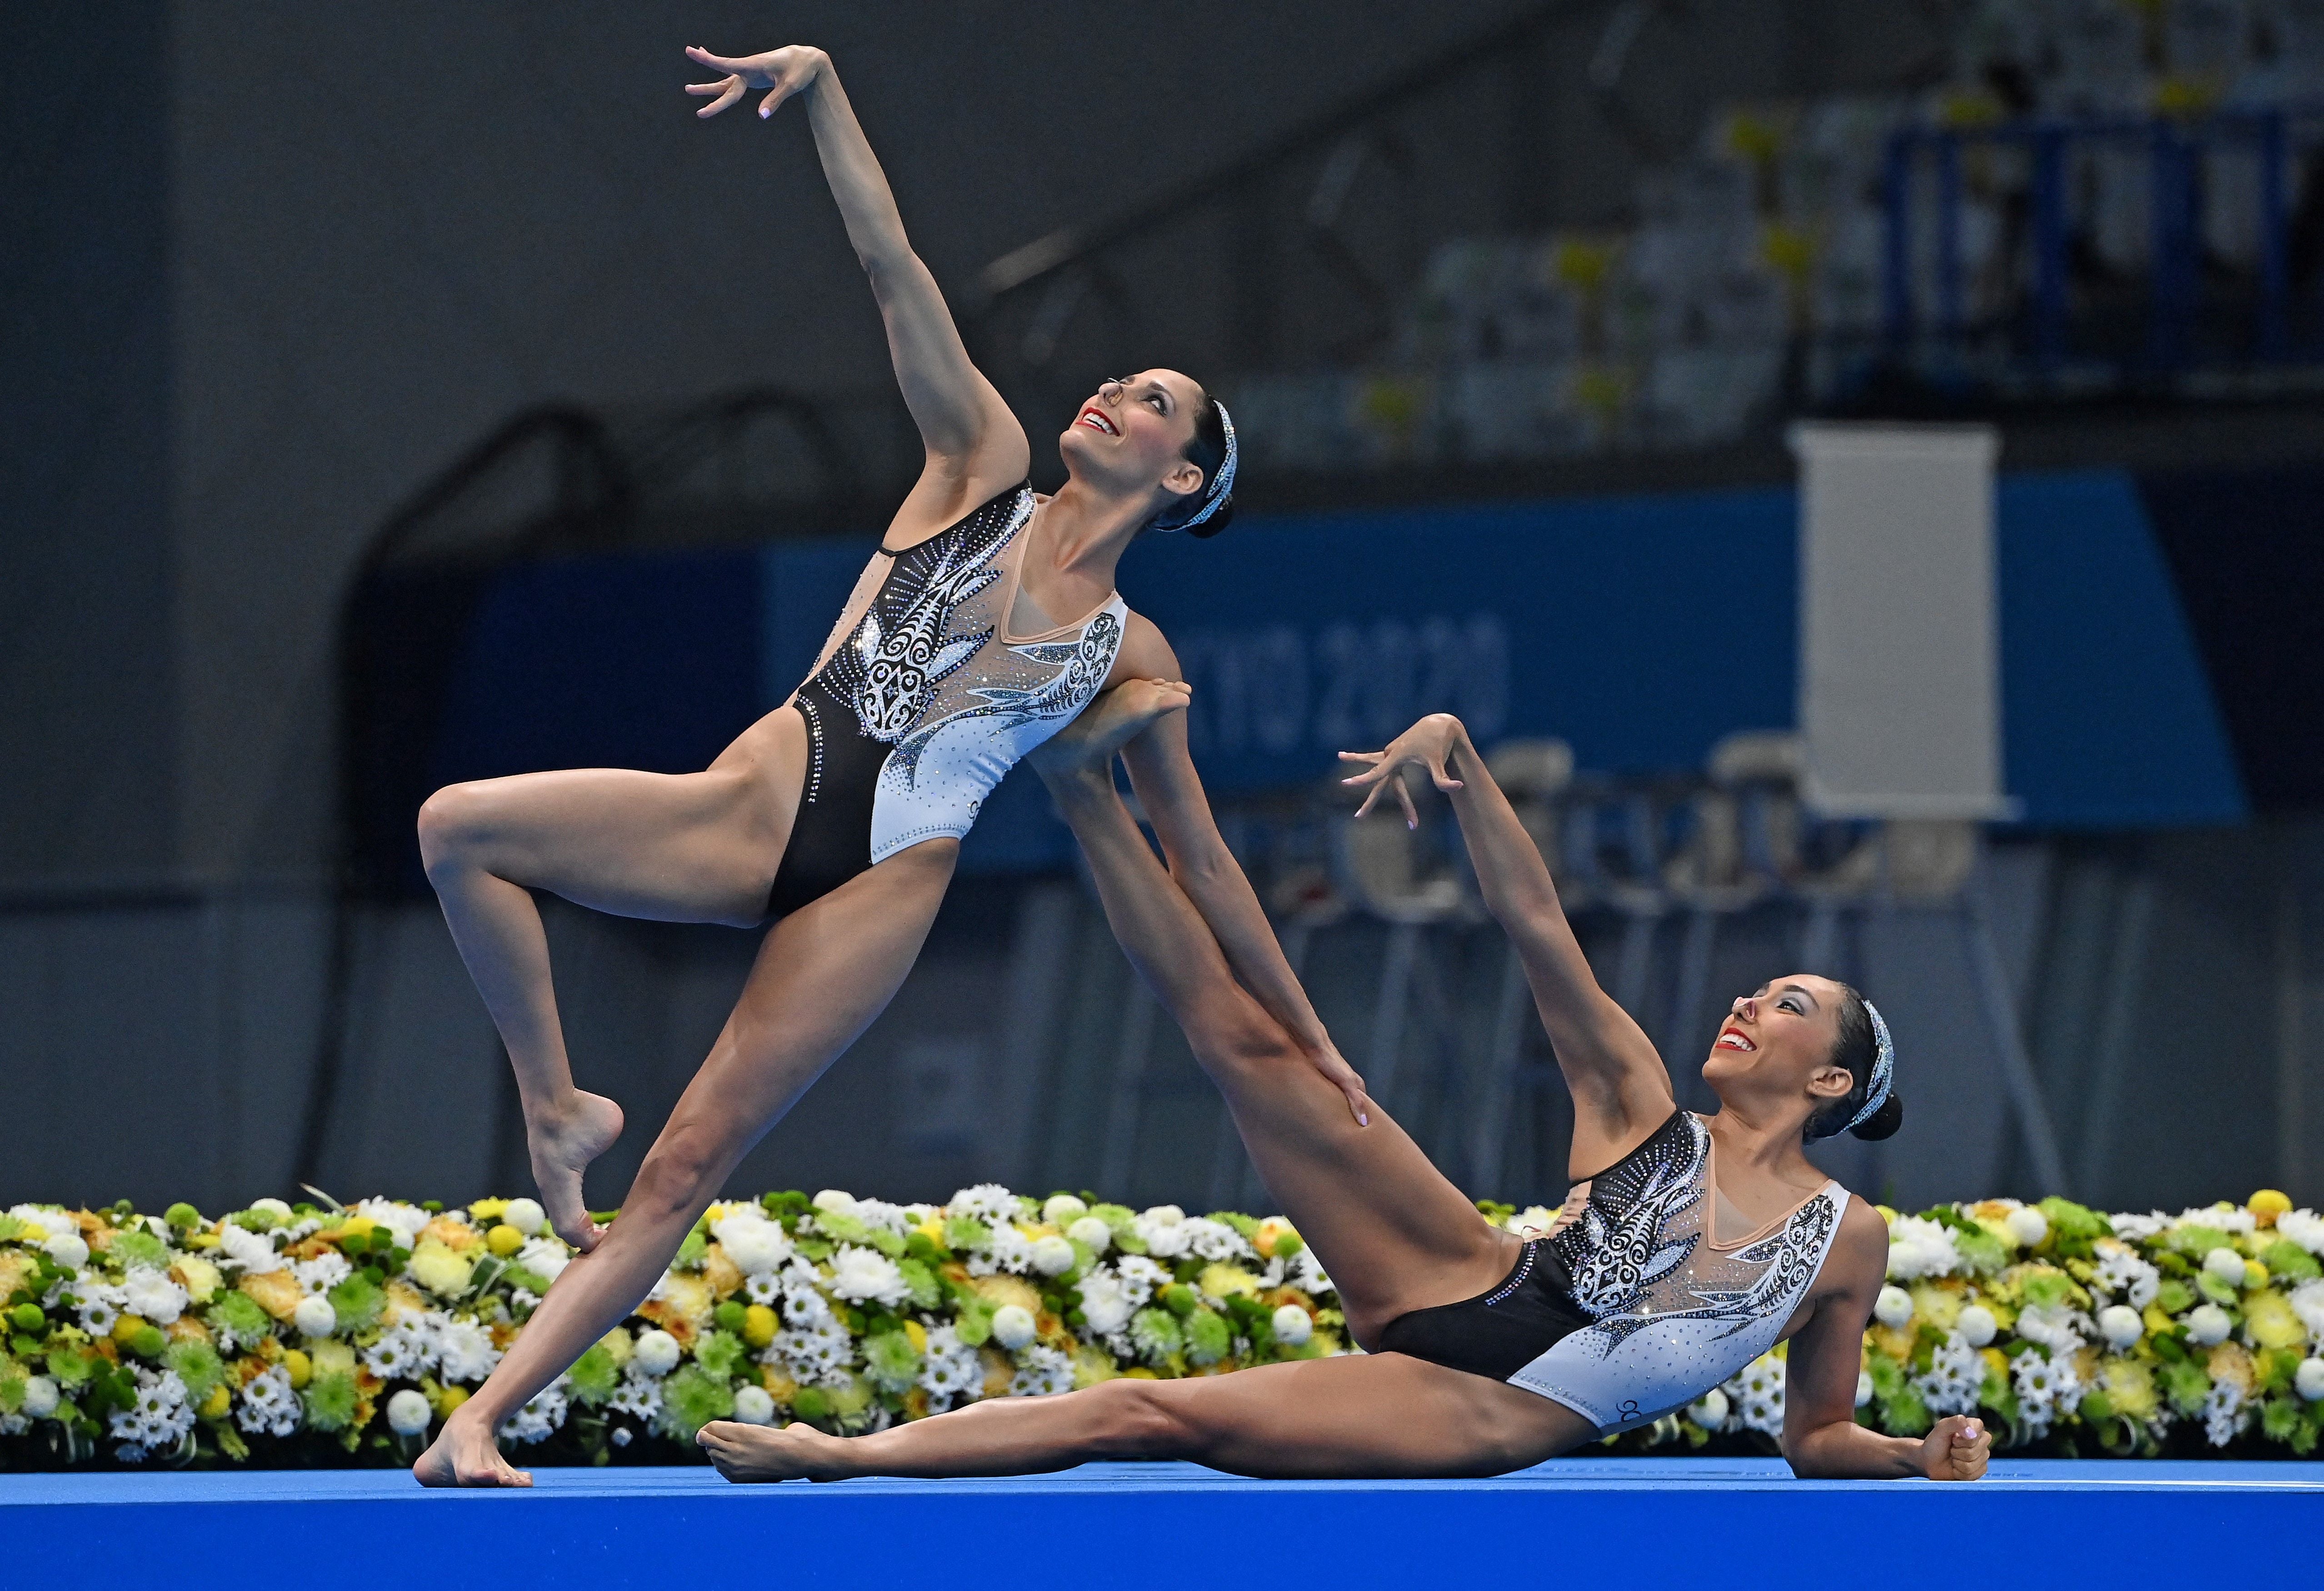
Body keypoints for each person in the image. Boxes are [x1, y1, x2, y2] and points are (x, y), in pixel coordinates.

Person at [411, 44, 1362, 1488]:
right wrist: (824, 87)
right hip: (753, 799)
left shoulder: (1131, 651)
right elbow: (888, 258)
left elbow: (1206, 864)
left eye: (1151, 401)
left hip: (882, 887)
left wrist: (1311, 1031)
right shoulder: (975, 460)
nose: (1113, 391)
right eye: (1118, 378)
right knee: (457, 827)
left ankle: (478, 1419)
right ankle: (554, 1104)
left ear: (1180, 479)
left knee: (683, 1166)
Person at [693, 689, 1991, 1482]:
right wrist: (1462, 763)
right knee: (1250, 1045)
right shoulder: (1640, 1101)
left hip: (1484, 1407)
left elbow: (1813, 1436)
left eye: (1789, 1005)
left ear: (1828, 1076)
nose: (1750, 1000)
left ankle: (844, 1458)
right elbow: (1538, 923)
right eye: (1760, 988)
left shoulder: (1844, 1239)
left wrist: (1909, 1455)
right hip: (1466, 1272)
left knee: (1155, 1414)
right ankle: (1081, 781)